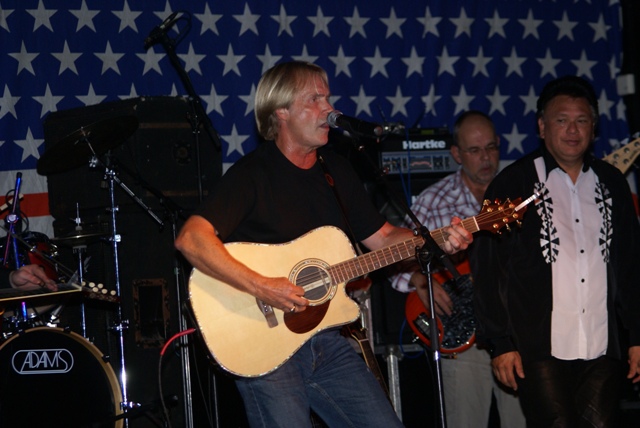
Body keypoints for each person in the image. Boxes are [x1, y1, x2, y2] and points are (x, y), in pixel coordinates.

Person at [174, 61, 473, 427]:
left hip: (326, 341)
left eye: (327, 98)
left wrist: (438, 240)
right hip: (264, 344)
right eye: (314, 99)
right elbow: (191, 238)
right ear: (281, 111)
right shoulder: (253, 174)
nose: (329, 108)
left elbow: (384, 238)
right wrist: (263, 286)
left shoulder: (337, 171)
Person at [471, 75, 640, 427]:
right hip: (538, 347)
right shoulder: (513, 184)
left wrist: (637, 336)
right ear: (542, 126)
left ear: (594, 127)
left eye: (581, 120)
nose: (572, 130)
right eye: (562, 120)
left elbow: (630, 267)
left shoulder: (612, 183)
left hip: (602, 343)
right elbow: (488, 270)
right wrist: (500, 342)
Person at [391, 110, 526, 428]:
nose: (486, 158)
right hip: (464, 333)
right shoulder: (433, 201)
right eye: (474, 150)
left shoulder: (516, 195)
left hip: (515, 328)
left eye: (491, 147)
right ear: (456, 153)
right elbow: (390, 256)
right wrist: (419, 280)